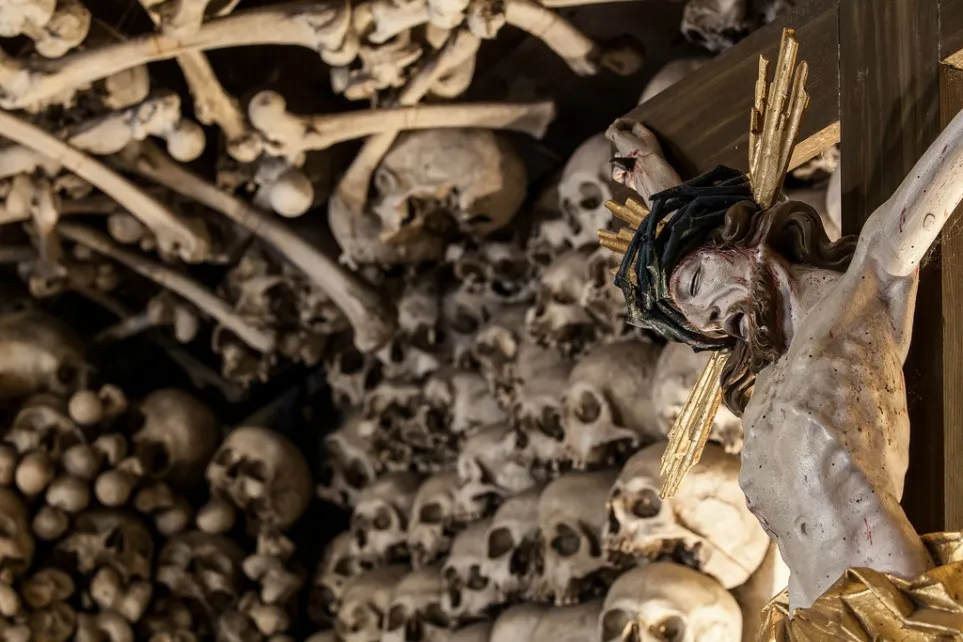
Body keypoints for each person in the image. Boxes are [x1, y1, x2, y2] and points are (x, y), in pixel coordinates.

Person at [601, 31, 963, 637]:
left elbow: (931, 189)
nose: (716, 317)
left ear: (736, 237)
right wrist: (668, 196)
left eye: (697, 288)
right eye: (703, 323)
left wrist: (676, 202)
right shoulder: (763, 382)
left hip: (887, 612)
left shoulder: (857, 302)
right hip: (799, 624)